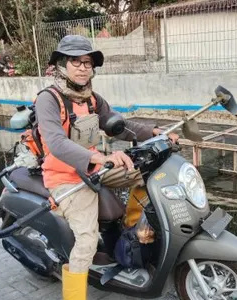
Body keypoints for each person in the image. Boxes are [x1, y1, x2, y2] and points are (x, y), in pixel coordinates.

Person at [34, 35, 178, 300]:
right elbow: (55, 143)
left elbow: (119, 127)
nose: (82, 67)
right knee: (86, 242)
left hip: (95, 170)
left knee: (144, 174)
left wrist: (155, 132)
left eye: (87, 62)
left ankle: (133, 230)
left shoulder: (91, 98)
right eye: (75, 61)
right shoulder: (48, 99)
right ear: (61, 65)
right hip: (67, 178)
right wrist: (102, 159)